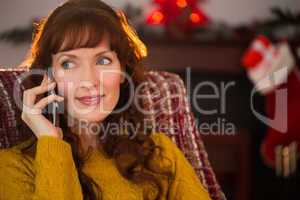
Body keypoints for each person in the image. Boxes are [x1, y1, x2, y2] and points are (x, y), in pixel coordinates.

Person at [0, 0, 211, 199]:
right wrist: (52, 142)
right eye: (68, 64)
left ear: (122, 72)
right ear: (47, 76)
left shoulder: (160, 152)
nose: (89, 80)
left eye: (103, 60)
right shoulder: (13, 165)